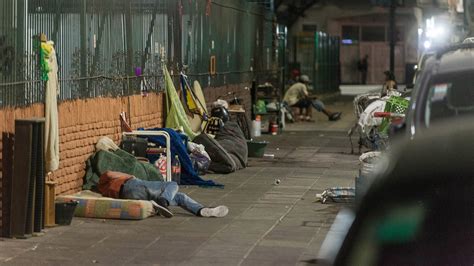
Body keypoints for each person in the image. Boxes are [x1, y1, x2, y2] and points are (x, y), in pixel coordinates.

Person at [97, 171, 229, 218]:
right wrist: (129, 175)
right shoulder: (109, 179)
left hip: (130, 194)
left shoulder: (105, 190)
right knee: (172, 184)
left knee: (179, 197)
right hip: (131, 185)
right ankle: (163, 201)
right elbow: (108, 173)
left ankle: (201, 210)